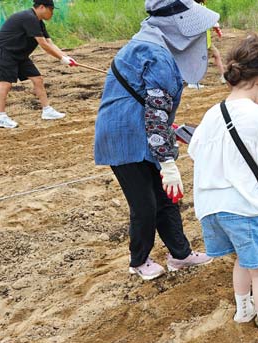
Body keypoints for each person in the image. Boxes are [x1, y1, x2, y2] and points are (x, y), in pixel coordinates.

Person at [93, 0, 218, 281]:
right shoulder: (156, 54)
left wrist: (163, 134)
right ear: (177, 24)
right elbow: (155, 112)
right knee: (145, 203)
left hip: (143, 130)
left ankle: (180, 254)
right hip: (124, 137)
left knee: (164, 198)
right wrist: (168, 162)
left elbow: (152, 106)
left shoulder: (149, 41)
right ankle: (138, 261)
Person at [188, 35, 258, 343]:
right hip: (244, 206)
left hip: (210, 206)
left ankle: (242, 309)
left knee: (243, 259)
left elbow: (197, 153)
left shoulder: (212, 114)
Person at [0, 0, 73, 129]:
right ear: (42, 7)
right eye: (51, 9)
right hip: (6, 51)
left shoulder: (38, 22)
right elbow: (43, 45)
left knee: (37, 79)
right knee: (6, 83)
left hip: (20, 53)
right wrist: (61, 59)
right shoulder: (29, 18)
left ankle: (47, 111)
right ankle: (1, 117)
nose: (52, 13)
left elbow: (50, 43)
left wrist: (66, 57)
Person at [192, 0, 225, 88]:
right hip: (199, 40)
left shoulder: (201, 6)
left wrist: (214, 25)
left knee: (216, 54)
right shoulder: (194, 7)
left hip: (206, 39)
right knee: (197, 60)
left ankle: (223, 77)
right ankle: (192, 82)